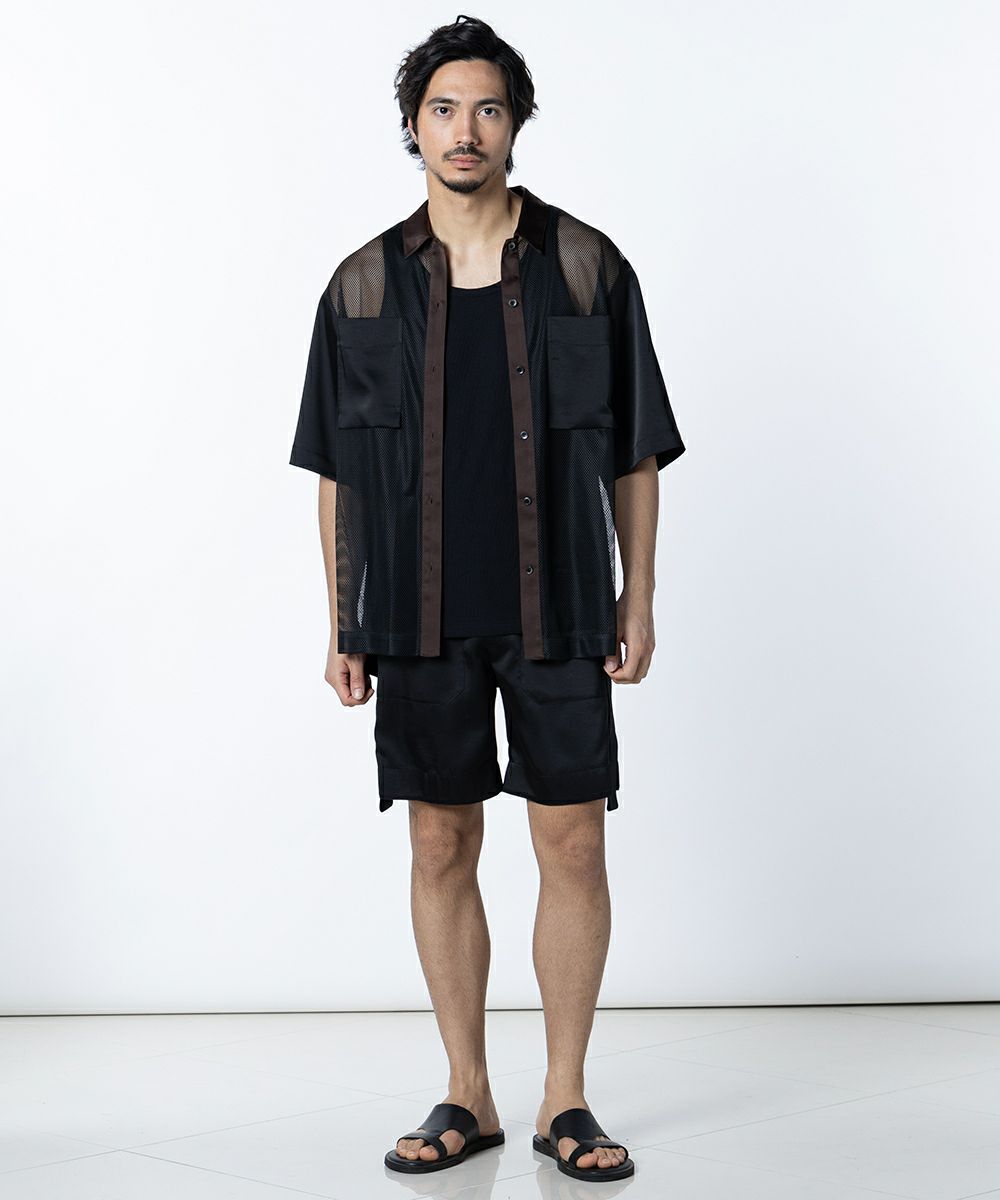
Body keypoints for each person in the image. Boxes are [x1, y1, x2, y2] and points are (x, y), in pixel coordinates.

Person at [289, 14, 685, 1182]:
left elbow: (634, 452)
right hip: (415, 613)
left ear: (516, 124)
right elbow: (336, 470)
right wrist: (342, 618)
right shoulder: (362, 286)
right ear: (413, 127)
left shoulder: (586, 267)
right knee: (437, 841)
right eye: (444, 109)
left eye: (489, 108)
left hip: (559, 601)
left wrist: (637, 597)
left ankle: (566, 1099)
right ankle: (467, 1091)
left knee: (573, 841)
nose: (466, 130)